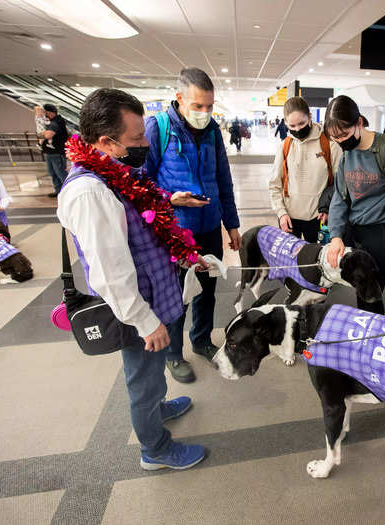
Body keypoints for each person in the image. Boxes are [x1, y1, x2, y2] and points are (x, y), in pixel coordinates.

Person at [57, 88, 209, 471]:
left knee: (152, 371)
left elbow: (134, 211)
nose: (144, 144)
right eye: (137, 138)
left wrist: (170, 201)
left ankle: (157, 408)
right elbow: (109, 271)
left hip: (153, 293)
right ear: (106, 142)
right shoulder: (89, 192)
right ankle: (155, 449)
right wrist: (144, 320)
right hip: (138, 306)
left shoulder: (111, 174)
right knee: (142, 379)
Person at [144, 67, 241, 384]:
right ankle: (173, 353)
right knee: (176, 295)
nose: (205, 113)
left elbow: (223, 179)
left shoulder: (213, 132)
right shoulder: (157, 128)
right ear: (179, 99)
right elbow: (139, 183)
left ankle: (200, 340)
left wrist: (232, 224)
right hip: (174, 231)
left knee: (208, 290)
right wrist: (170, 199)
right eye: (198, 106)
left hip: (210, 226)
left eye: (210, 106)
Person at [325, 95, 385, 314]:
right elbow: (339, 196)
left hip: (382, 232)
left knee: (370, 294)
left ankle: (373, 340)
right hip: (354, 228)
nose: (340, 141)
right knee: (360, 290)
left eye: (344, 135)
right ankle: (366, 333)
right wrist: (336, 235)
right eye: (334, 138)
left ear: (359, 123)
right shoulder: (346, 154)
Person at [269, 96, 342, 242]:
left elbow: (341, 184)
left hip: (319, 218)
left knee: (315, 264)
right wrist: (281, 213)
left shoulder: (329, 144)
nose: (297, 129)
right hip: (289, 219)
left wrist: (329, 209)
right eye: (292, 126)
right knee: (289, 263)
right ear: (286, 123)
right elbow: (275, 185)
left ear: (309, 117)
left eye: (301, 123)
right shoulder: (285, 146)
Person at [41, 103, 69, 198]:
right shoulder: (52, 121)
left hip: (57, 153)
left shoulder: (57, 121)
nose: (44, 114)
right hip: (51, 152)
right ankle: (59, 191)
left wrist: (42, 133)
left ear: (49, 112)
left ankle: (69, 192)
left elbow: (49, 135)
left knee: (61, 173)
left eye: (45, 112)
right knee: (53, 173)